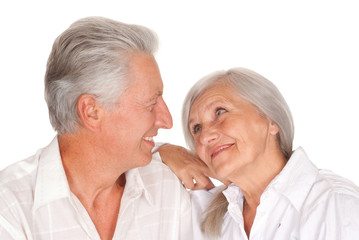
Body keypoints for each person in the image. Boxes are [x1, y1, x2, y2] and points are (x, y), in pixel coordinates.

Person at [0, 16, 193, 240]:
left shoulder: (167, 188)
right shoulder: (10, 207)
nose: (167, 120)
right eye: (151, 104)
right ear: (91, 112)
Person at [164, 67, 359, 239]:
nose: (205, 136)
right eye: (196, 128)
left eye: (220, 112)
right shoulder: (207, 214)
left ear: (271, 120)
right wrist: (163, 152)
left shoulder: (334, 205)